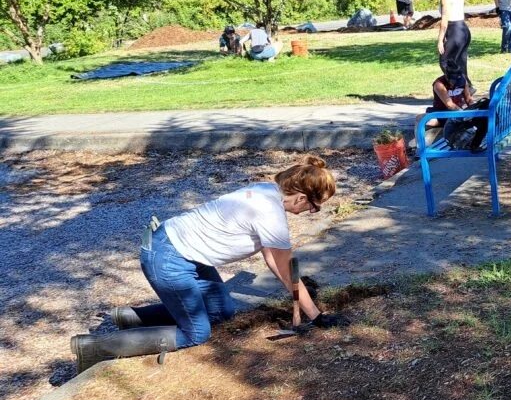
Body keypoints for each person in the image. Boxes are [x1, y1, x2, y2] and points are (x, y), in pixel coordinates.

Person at [70, 156, 347, 371]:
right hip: (169, 257)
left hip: (182, 249)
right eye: (314, 207)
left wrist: (303, 305)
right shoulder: (271, 213)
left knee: (222, 311)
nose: (311, 212)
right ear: (300, 197)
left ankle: (129, 317)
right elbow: (287, 271)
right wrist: (317, 316)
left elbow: (273, 260)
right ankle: (94, 347)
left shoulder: (265, 190)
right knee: (196, 334)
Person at [437, 0, 471, 94]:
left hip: (455, 30)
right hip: (463, 30)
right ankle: (467, 90)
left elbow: (445, 18)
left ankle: (459, 91)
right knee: (460, 63)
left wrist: (440, 40)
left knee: (445, 61)